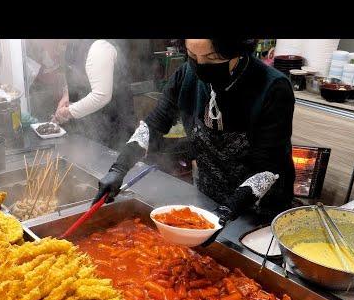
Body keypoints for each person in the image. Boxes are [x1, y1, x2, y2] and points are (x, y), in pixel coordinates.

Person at [93, 38, 296, 223]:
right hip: (210, 198)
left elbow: (267, 169)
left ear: (238, 49)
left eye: (212, 57)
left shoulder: (272, 88)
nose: (200, 66)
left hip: (260, 211)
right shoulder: (187, 75)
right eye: (192, 55)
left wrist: (226, 212)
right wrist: (119, 168)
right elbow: (153, 125)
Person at [54, 39, 136, 150]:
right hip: (92, 122)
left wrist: (69, 112)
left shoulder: (99, 47)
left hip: (114, 123)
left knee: (111, 162)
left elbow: (101, 95)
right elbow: (75, 74)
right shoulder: (73, 44)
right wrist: (66, 95)